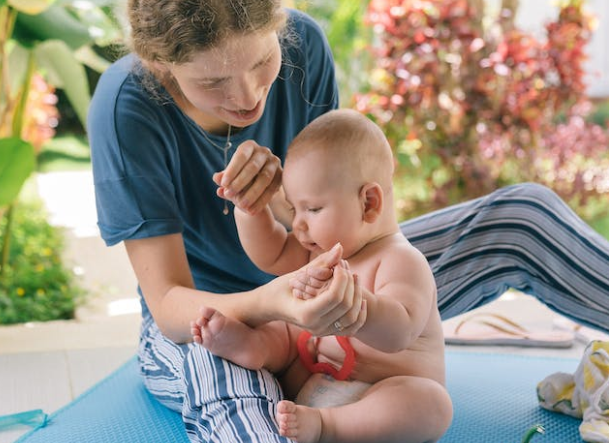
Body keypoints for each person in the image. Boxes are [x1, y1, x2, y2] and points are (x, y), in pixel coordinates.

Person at [87, 1, 609, 442]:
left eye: (262, 60)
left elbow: (323, 223)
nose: (247, 96)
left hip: (342, 289)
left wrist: (277, 208)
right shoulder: (127, 106)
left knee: (522, 217)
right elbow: (170, 306)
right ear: (161, 66)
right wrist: (274, 301)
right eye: (214, 80)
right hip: (220, 316)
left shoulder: (303, 45)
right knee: (239, 393)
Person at [191, 108, 451, 443]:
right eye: (293, 208)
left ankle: (329, 426)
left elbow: (400, 333)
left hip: (381, 394)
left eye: (312, 209)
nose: (297, 224)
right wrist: (251, 211)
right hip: (314, 376)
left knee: (432, 405)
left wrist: (358, 307)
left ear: (369, 203)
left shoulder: (401, 260)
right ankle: (253, 346)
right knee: (283, 324)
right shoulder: (316, 250)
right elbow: (270, 254)